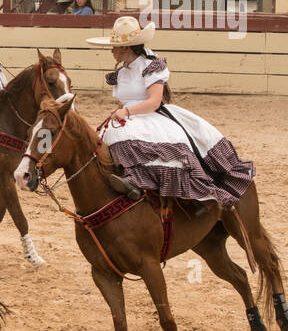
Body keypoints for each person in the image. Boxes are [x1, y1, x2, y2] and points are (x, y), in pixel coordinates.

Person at [86, 16, 254, 209]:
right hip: (129, 117)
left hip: (150, 116)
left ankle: (143, 185)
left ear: (125, 47)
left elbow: (154, 101)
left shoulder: (150, 65)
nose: (112, 50)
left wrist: (127, 111)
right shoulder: (122, 73)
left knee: (137, 143)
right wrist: (121, 111)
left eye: (114, 46)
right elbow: (125, 100)